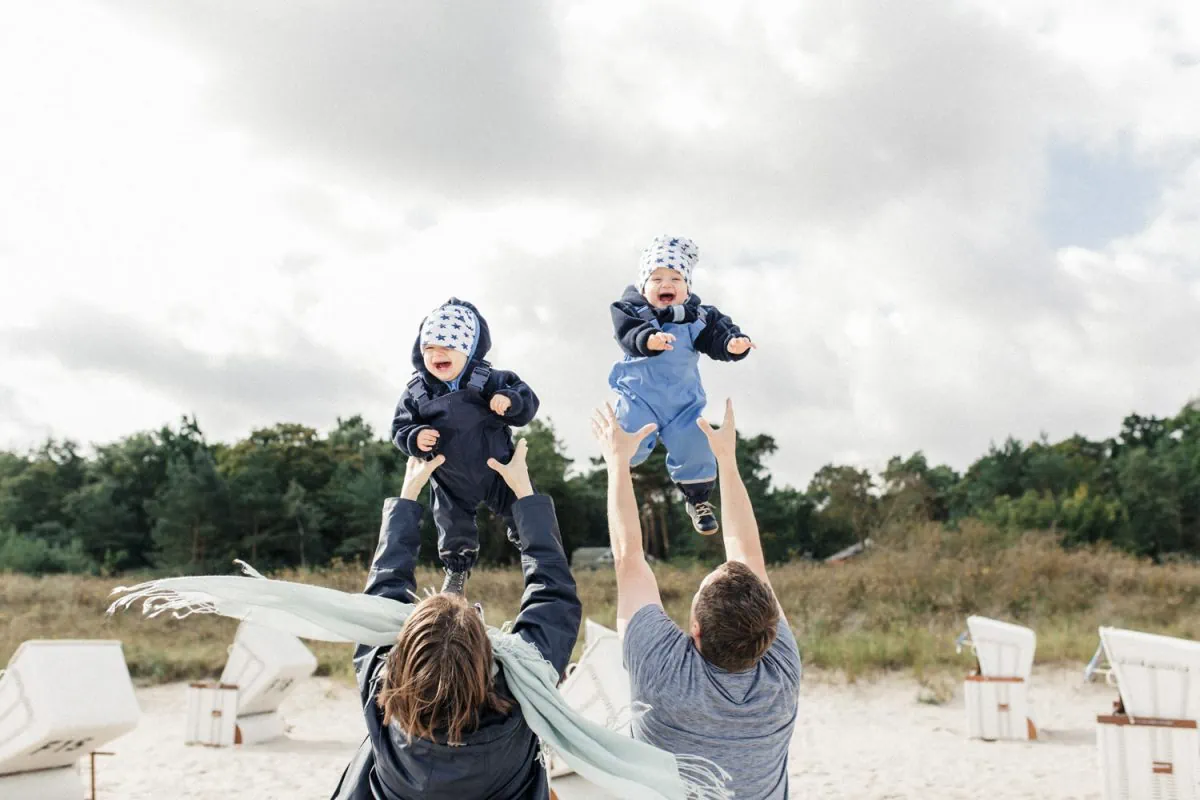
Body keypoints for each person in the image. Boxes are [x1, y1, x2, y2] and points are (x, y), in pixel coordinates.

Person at [332, 441, 580, 800]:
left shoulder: (381, 696)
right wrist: (523, 492)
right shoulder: (525, 692)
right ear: (488, 658)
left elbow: (382, 594)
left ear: (400, 657)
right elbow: (554, 595)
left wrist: (409, 494)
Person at [590, 398, 801, 799]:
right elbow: (747, 553)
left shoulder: (662, 670)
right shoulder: (782, 670)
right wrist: (726, 460)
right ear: (769, 627)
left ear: (696, 629)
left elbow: (629, 560)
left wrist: (617, 461)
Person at [391, 297, 540, 593]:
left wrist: (509, 401)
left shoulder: (491, 379)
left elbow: (528, 400)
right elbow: (399, 427)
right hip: (450, 478)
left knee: (520, 511)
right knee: (451, 523)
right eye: (429, 348)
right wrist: (415, 436)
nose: (437, 354)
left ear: (469, 349)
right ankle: (457, 573)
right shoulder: (416, 391)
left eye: (447, 347)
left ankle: (536, 556)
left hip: (497, 469)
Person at [608, 235, 754, 534]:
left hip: (683, 403)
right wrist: (649, 339)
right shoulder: (632, 310)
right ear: (643, 285)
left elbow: (717, 336)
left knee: (696, 447)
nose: (667, 284)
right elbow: (628, 333)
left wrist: (733, 344)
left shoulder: (698, 316)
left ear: (687, 286)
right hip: (639, 398)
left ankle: (698, 500)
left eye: (676, 278)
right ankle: (620, 479)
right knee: (628, 445)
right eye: (657, 278)